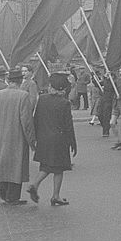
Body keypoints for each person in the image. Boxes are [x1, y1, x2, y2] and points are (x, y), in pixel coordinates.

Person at [28, 72, 76, 206]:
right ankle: (54, 194)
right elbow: (68, 125)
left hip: (43, 137)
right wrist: (72, 143)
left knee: (46, 165)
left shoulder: (42, 99)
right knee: (59, 168)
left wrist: (36, 137)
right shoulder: (64, 103)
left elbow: (36, 119)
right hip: (59, 139)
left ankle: (37, 186)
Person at [0, 68, 35, 205]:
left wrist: (1, 124)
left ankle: (3, 190)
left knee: (4, 162)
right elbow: (26, 121)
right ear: (20, 80)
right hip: (17, 135)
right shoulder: (23, 95)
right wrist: (32, 141)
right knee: (17, 165)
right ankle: (13, 196)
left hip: (2, 134)